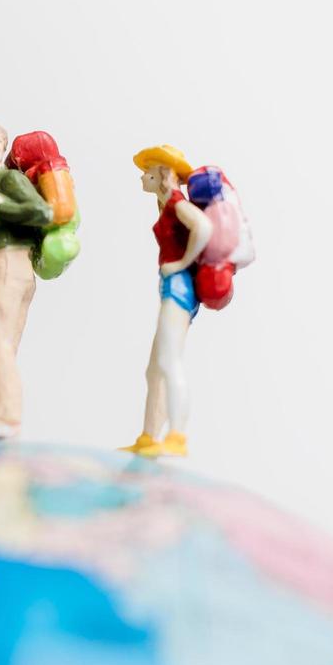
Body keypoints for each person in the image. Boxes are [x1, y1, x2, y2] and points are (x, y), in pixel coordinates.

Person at [123, 145, 213, 458]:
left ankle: (177, 435)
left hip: (179, 288)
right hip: (171, 286)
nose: (141, 177)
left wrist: (183, 262)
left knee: (169, 361)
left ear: (161, 173)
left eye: (146, 171)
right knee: (154, 370)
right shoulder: (166, 205)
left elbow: (203, 227)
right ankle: (148, 437)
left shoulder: (176, 202)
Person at [0, 120, 52, 438]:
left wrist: (3, 206)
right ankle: (0, 417)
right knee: (5, 347)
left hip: (9, 265)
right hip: (17, 268)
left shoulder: (6, 180)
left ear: (4, 147)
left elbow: (42, 212)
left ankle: (5, 418)